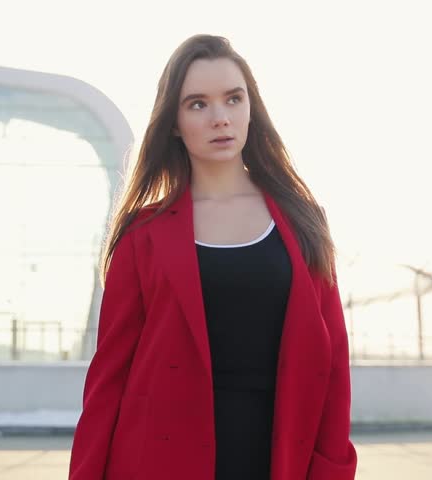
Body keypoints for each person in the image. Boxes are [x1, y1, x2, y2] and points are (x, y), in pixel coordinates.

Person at [68, 34, 357, 480]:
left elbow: (333, 362)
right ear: (173, 123)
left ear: (250, 110)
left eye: (232, 99)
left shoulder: (302, 221)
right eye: (198, 104)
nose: (220, 117)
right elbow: (108, 379)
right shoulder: (143, 236)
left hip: (278, 461)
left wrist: (332, 469)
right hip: (158, 463)